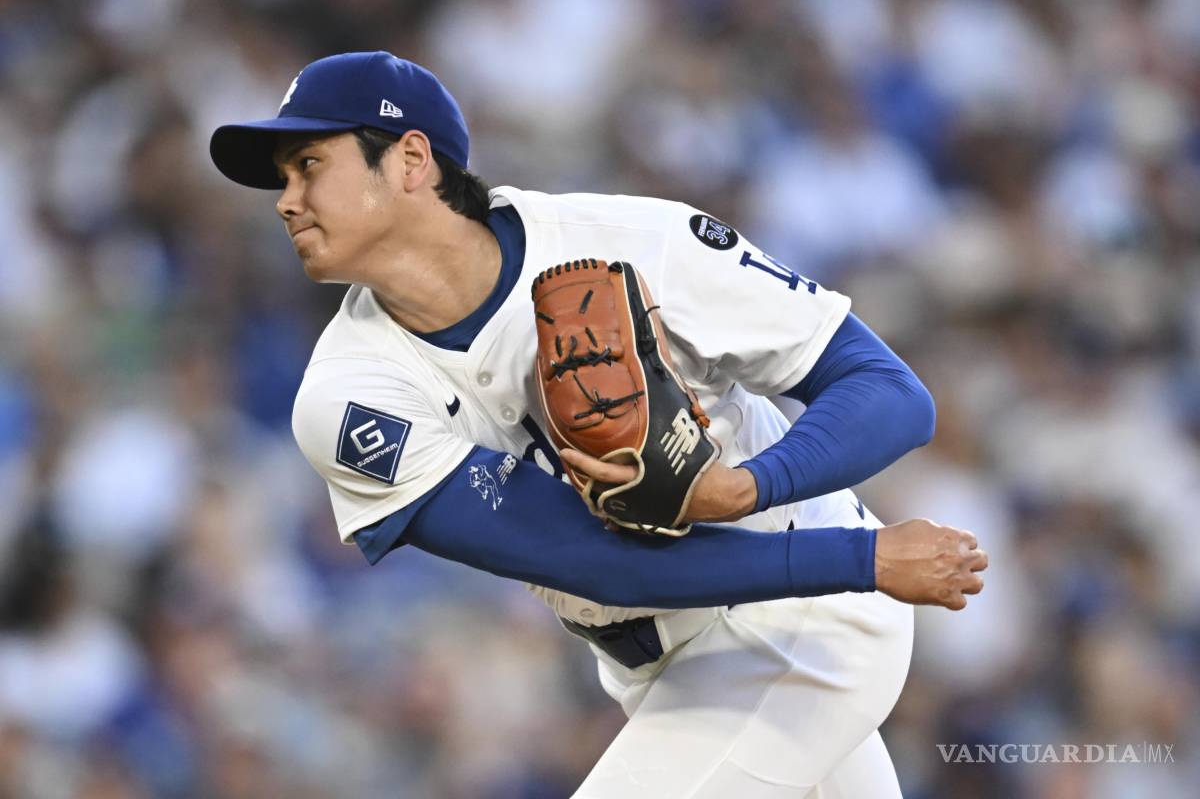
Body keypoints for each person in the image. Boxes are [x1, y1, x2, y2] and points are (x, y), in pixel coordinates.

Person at [209, 51, 987, 798]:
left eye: (309, 165)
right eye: (282, 178)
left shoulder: (628, 242)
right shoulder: (347, 396)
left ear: (411, 161)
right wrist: (863, 557)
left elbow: (888, 391)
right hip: (668, 661)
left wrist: (753, 491)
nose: (286, 199)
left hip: (803, 617)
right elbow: (598, 564)